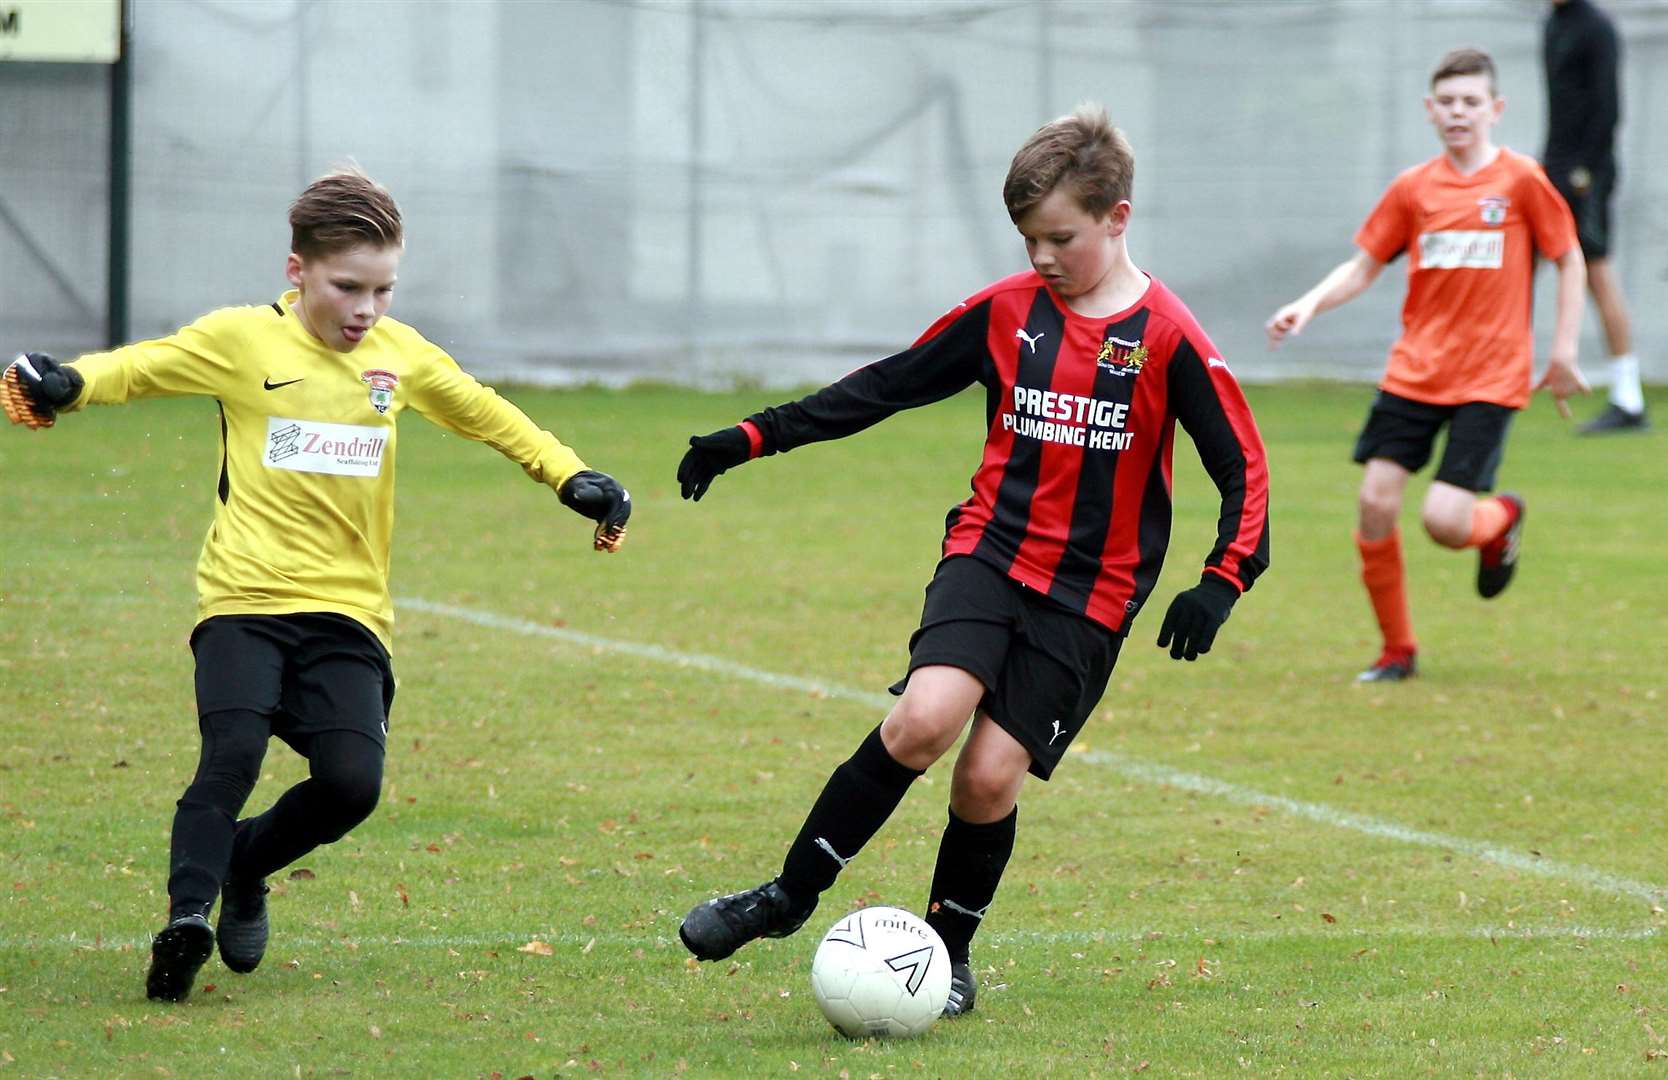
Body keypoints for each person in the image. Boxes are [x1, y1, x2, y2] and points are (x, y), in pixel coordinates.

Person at [673, 105, 1270, 1018]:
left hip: (1091, 597)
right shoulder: (1007, 313)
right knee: (924, 720)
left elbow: (1244, 467)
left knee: (989, 776)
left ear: (1117, 217)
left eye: (1060, 237)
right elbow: (886, 385)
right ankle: (786, 898)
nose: (1040, 256)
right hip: (988, 552)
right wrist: (750, 438)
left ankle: (947, 954)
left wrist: (1220, 580)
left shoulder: (1167, 336)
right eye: (1029, 238)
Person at [2, 167, 631, 1003]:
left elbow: (485, 411)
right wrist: (70, 385)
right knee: (231, 752)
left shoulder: (399, 357)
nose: (366, 309)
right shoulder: (242, 341)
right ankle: (187, 918)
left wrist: (568, 474)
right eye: (348, 287)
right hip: (244, 601)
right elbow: (144, 369)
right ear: (297, 271)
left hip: (348, 612)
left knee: (350, 784)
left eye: (383, 290)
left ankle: (245, 866)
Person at [1266, 47, 1586, 683]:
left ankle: (1500, 521)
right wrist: (1309, 304)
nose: (1459, 112)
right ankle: (1397, 651)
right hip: (1415, 370)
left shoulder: (1522, 180)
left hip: (1490, 376)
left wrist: (1564, 349)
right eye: (1448, 102)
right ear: (1430, 111)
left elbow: (1569, 256)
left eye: (1472, 101)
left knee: (1444, 521)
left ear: (1495, 109)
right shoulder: (1414, 189)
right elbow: (1362, 266)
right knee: (1375, 503)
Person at [1544, 0, 1647, 433]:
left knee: (1595, 271)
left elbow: (1608, 107)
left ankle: (1628, 399)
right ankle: (1491, 378)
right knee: (1516, 261)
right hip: (1553, 166)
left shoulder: (1597, 27)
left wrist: (1583, 170)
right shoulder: (1554, 23)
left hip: (1587, 174)